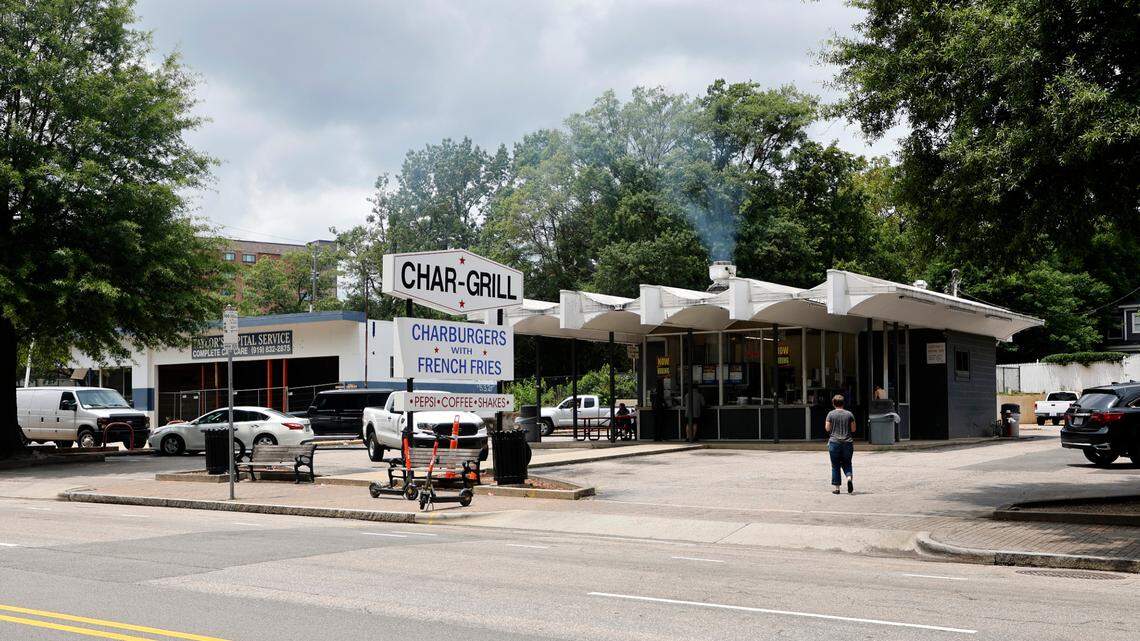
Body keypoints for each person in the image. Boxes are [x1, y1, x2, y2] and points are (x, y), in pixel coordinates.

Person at [824, 393, 856, 494]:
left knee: (835, 465)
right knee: (847, 463)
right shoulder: (849, 414)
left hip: (834, 443)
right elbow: (853, 429)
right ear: (843, 403)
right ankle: (849, 478)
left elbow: (827, 428)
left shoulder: (830, 414)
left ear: (833, 403)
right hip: (847, 443)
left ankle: (837, 488)